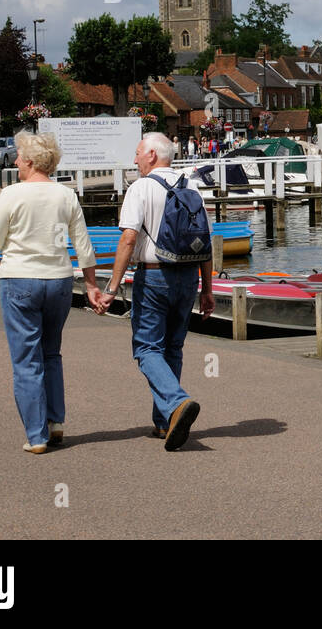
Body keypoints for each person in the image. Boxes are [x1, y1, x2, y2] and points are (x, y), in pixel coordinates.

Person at [0, 132, 102, 454]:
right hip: (59, 282)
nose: (14, 161)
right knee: (51, 352)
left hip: (20, 281)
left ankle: (37, 436)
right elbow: (84, 246)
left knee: (27, 360)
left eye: (18, 156)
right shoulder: (65, 196)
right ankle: (56, 422)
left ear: (29, 161)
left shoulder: (12, 195)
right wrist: (92, 285)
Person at [99, 132, 215, 450]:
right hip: (189, 276)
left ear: (152, 155)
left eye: (138, 153)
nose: (135, 159)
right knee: (173, 349)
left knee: (147, 349)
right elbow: (204, 241)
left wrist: (111, 287)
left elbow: (127, 240)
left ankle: (177, 402)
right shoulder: (191, 186)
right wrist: (207, 289)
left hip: (154, 276)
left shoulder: (141, 188)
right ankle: (165, 422)